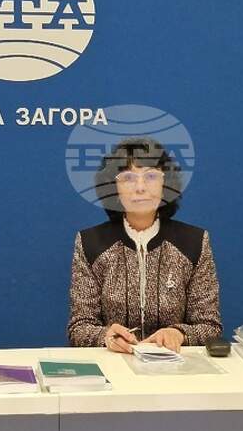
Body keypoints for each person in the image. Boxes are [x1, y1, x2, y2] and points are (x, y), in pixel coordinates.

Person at [67, 137, 222, 353]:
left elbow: (210, 326)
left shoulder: (194, 241)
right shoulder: (90, 242)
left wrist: (179, 333)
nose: (140, 187)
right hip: (114, 362)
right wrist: (106, 337)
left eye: (150, 176)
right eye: (128, 178)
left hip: (174, 363)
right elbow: (79, 327)